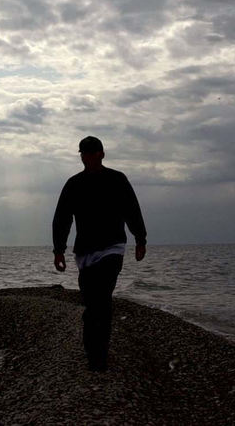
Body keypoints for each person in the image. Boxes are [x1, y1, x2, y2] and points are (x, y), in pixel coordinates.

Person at [52, 136, 147, 372]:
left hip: (112, 248)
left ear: (102, 154)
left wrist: (140, 239)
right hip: (85, 253)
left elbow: (132, 210)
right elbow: (62, 218)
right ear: (81, 156)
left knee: (102, 300)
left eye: (92, 152)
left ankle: (99, 356)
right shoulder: (74, 184)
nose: (89, 156)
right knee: (92, 302)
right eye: (84, 153)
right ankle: (92, 348)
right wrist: (59, 250)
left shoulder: (117, 179)